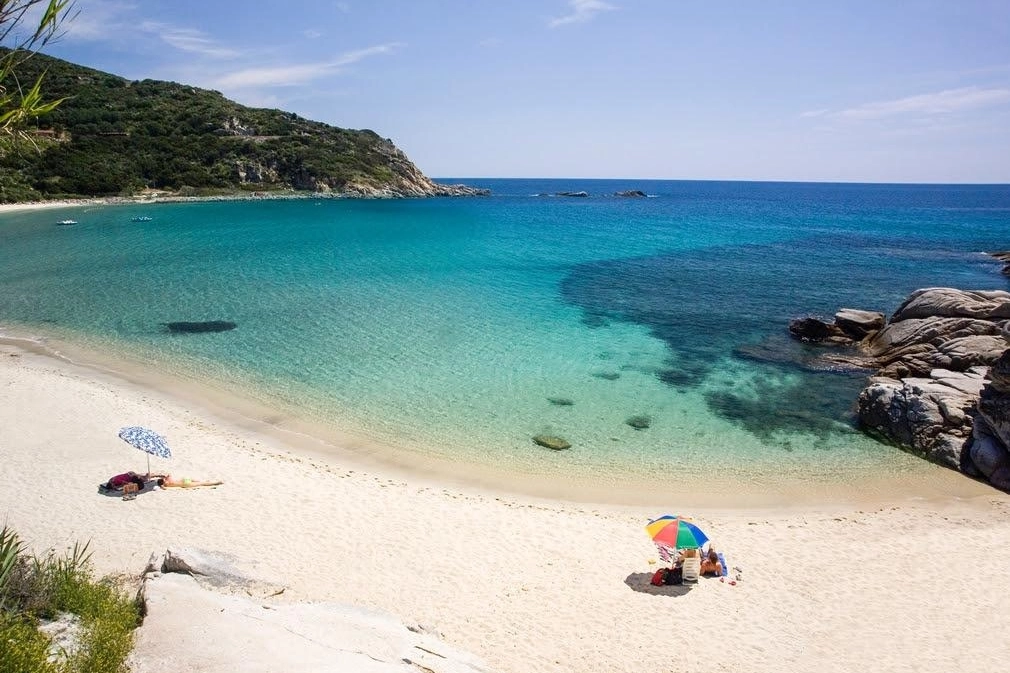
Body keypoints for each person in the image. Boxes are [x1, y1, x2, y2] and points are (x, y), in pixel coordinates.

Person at [154, 474, 223, 488]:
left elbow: (163, 486)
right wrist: (163, 476)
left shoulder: (166, 485)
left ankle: (214, 482)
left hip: (185, 483)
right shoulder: (169, 481)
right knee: (202, 483)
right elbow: (169, 474)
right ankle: (216, 482)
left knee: (201, 483)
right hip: (185, 481)